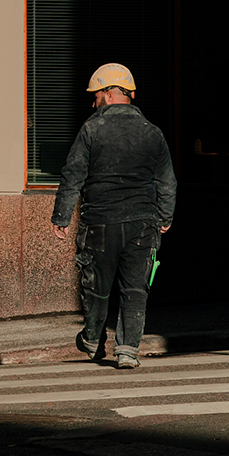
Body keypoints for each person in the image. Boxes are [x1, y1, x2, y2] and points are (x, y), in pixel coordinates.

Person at [50, 63, 176, 371]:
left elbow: (73, 175)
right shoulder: (153, 133)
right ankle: (127, 351)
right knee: (135, 289)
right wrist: (165, 216)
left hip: (101, 222)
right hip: (143, 224)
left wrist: (62, 216)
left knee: (96, 286)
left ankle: (93, 340)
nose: (93, 102)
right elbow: (166, 180)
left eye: (95, 96)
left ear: (108, 94)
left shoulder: (91, 129)